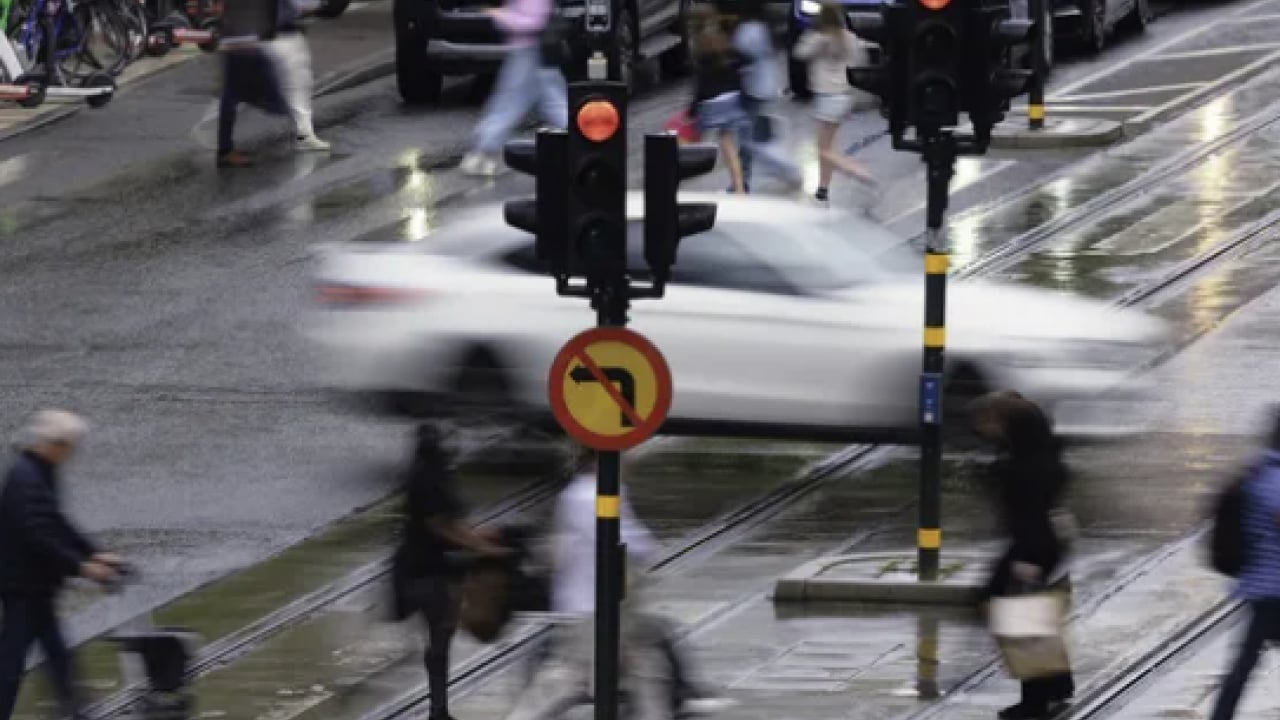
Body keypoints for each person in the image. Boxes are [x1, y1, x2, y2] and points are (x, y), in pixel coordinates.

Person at [0, 410, 121, 720]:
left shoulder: (41, 470)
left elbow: (57, 523)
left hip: (37, 585)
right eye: (71, 446)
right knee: (12, 662)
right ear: (56, 444)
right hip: (23, 586)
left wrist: (93, 552)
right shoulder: (26, 480)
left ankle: (76, 712)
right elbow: (40, 536)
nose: (72, 453)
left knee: (57, 656)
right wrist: (82, 567)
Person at [390, 424, 509, 720]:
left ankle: (438, 708)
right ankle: (438, 709)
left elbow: (448, 524)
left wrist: (479, 539)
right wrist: (481, 547)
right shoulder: (433, 481)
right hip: (430, 574)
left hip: (413, 569)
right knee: (441, 638)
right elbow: (442, 526)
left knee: (438, 640)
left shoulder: (419, 477)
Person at [968, 392, 1075, 720]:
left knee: (1023, 620)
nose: (984, 429)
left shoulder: (1026, 468)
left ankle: (1035, 702)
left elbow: (1030, 515)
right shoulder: (1036, 454)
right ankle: (1057, 684)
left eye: (990, 423)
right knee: (1029, 613)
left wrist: (1027, 559)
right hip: (1045, 543)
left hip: (1034, 546)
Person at [1207, 407, 1280, 720]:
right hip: (1274, 587)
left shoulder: (1257, 471)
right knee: (1243, 664)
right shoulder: (1274, 479)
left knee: (1243, 664)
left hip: (1261, 586)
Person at [458, 0, 568, 176]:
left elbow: (533, 22)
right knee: (553, 102)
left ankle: (483, 151)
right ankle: (584, 141)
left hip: (528, 52)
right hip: (535, 52)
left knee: (509, 104)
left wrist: (501, 16)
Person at [792, 0, 878, 205]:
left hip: (826, 97)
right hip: (844, 95)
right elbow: (861, 57)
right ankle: (823, 188)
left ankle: (860, 174)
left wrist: (810, 34)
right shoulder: (848, 37)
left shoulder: (819, 38)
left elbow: (799, 53)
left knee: (824, 150)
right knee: (829, 146)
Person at [724, 0, 801, 194]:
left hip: (753, 91)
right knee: (750, 141)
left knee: (752, 142)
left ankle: (786, 170)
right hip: (762, 88)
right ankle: (742, 182)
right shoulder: (760, 27)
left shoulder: (748, 30)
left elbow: (742, 59)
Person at [688, 3, 746, 194]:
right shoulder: (723, 38)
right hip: (732, 96)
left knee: (719, 144)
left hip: (715, 101)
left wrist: (693, 109)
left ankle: (738, 189)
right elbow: (737, 65)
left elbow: (702, 81)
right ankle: (738, 187)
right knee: (728, 143)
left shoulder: (700, 45)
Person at [263, 0, 331, 151]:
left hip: (259, 35)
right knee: (299, 86)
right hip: (283, 36)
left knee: (238, 88)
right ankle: (304, 135)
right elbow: (304, 5)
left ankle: (224, 144)